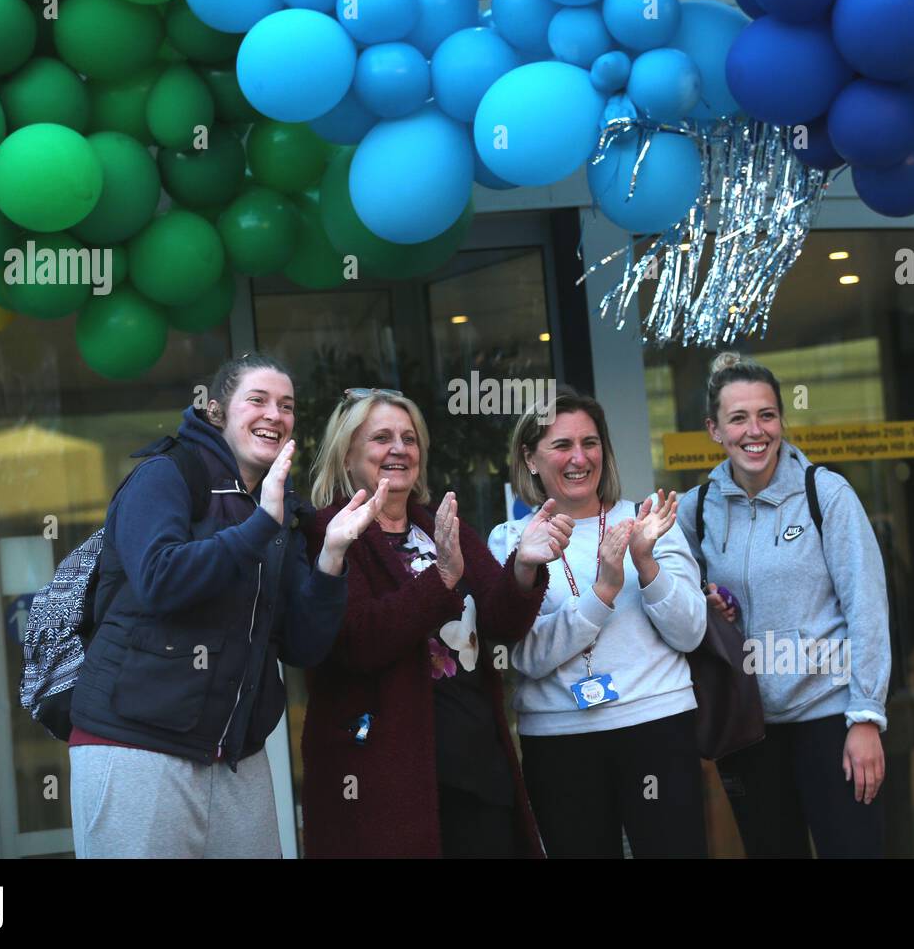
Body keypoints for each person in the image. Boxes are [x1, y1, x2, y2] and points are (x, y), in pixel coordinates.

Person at [68, 352, 380, 858]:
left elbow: (303, 646)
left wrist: (331, 560)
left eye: (286, 406)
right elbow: (159, 580)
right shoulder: (166, 476)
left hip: (236, 758)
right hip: (134, 747)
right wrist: (260, 525)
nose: (274, 415)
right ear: (216, 411)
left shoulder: (284, 507)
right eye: (257, 400)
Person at [302, 388, 572, 858]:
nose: (399, 449)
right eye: (381, 437)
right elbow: (358, 640)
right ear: (347, 455)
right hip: (385, 781)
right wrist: (441, 581)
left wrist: (524, 566)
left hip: (475, 763)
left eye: (410, 438)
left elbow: (501, 622)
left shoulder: (440, 525)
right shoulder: (329, 532)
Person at [676, 352, 891, 858]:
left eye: (767, 415)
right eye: (738, 418)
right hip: (748, 730)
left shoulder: (826, 494)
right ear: (714, 429)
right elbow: (670, 595)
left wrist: (865, 716)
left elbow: (868, 608)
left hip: (830, 720)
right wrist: (704, 601)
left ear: (781, 420)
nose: (756, 430)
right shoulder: (698, 509)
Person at [490, 388, 708, 859]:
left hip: (657, 726)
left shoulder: (647, 522)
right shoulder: (511, 541)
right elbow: (525, 656)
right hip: (559, 741)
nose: (579, 458)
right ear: (529, 458)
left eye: (590, 443)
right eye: (561, 445)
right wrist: (604, 591)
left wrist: (646, 564)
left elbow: (690, 631)